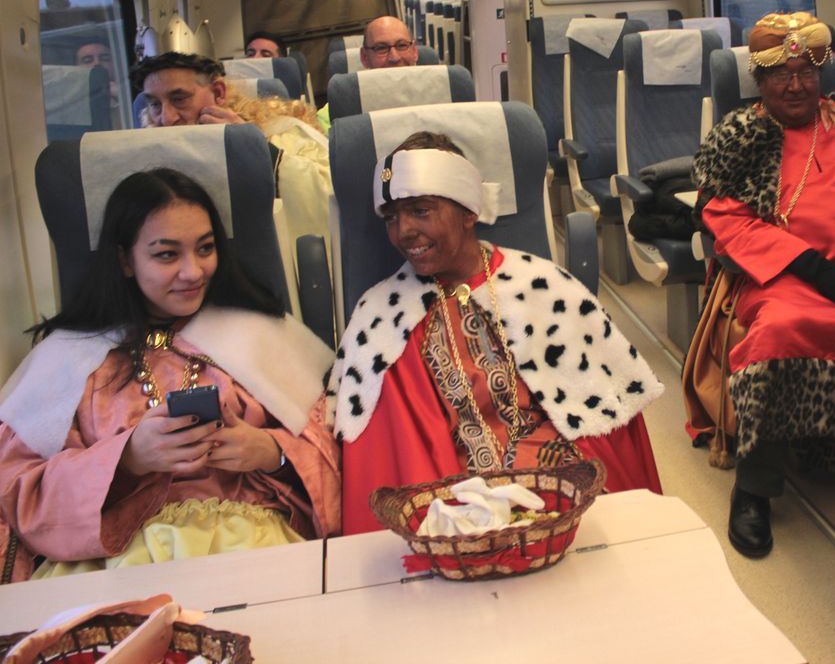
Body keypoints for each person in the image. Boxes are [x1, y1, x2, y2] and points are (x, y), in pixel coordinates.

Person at [0, 168, 340, 582]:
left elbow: (342, 451)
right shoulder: (67, 360)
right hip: (113, 564)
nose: (193, 271)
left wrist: (274, 452)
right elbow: (17, 492)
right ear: (125, 259)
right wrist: (124, 461)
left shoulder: (264, 337)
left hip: (255, 547)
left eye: (205, 248)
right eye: (166, 254)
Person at [327, 132, 663, 535]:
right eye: (392, 218)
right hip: (454, 513)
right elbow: (389, 456)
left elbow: (609, 430)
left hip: (569, 494)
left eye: (420, 210)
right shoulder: (382, 321)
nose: (404, 231)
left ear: (469, 211)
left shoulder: (546, 288)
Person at [691, 11, 835, 558]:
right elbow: (726, 221)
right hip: (782, 276)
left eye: (806, 72)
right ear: (759, 81)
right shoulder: (741, 136)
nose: (795, 85)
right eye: (780, 75)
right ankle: (755, 486)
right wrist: (816, 270)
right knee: (784, 328)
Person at [132, 52, 331, 252]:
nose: (166, 118)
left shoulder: (282, 134)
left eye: (179, 99)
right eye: (155, 105)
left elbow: (329, 196)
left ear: (218, 93)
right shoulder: (145, 159)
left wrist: (255, 150)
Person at [315, 15, 418, 131]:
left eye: (402, 45)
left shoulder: (439, 95)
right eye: (381, 48)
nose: (394, 57)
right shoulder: (336, 113)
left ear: (414, 51)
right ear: (364, 57)